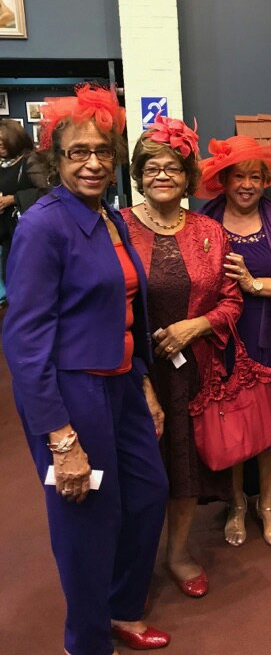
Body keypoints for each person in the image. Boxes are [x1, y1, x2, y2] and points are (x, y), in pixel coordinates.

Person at [2, 84, 171, 654]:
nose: (93, 163)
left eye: (103, 151)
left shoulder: (111, 219)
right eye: (79, 152)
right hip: (71, 393)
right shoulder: (42, 226)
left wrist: (144, 383)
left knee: (148, 493)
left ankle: (121, 607)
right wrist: (59, 436)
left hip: (122, 383)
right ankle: (87, 640)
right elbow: (25, 341)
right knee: (87, 517)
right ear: (56, 159)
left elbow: (127, 310)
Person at [121, 115, 242, 597]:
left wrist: (197, 325)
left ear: (187, 175)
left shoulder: (210, 230)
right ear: (138, 174)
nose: (162, 175)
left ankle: (176, 552)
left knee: (185, 464)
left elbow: (232, 300)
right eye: (151, 167)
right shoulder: (117, 226)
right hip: (133, 369)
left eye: (172, 166)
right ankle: (133, 556)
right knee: (139, 466)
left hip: (193, 370)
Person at [198, 135, 271, 547]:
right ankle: (236, 502)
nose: (247, 185)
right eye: (239, 176)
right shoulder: (205, 221)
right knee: (231, 419)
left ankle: (265, 504)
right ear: (224, 180)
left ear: (266, 181)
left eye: (255, 177)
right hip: (223, 337)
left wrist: (254, 284)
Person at [0, 118, 42, 280]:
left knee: (28, 277)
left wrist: (14, 199)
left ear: (15, 139)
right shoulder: (2, 164)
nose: (0, 145)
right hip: (6, 232)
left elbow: (48, 191)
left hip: (27, 232)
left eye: (4, 141)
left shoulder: (30, 161)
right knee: (9, 277)